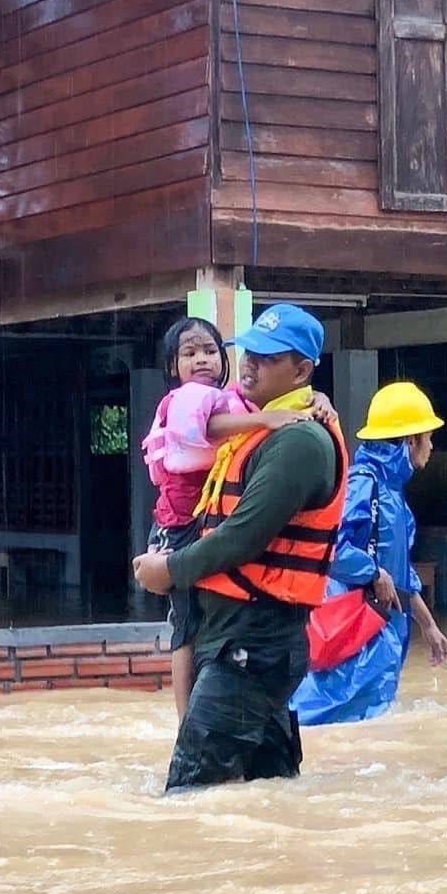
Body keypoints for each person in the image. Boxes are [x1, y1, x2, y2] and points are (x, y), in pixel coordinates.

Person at [132, 304, 350, 791]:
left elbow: (243, 536)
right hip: (242, 638)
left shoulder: (298, 441)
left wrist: (169, 569)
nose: (249, 363)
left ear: (302, 371)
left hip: (253, 642)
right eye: (248, 351)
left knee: (192, 790)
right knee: (266, 791)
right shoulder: (256, 421)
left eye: (268, 357)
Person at [139, 316, 317, 718]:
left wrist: (315, 399)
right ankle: (187, 721)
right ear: (173, 367)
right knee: (185, 631)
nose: (202, 360)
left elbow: (273, 401)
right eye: (189, 353)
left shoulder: (231, 397)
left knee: (204, 627)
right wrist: (266, 420)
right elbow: (210, 429)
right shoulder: (184, 400)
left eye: (210, 351)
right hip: (180, 527)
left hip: (205, 525)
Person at [291, 382, 447, 725]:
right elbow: (331, 548)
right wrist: (373, 573)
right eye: (429, 436)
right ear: (410, 440)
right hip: (355, 639)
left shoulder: (392, 493)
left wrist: (429, 626)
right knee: (329, 722)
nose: (432, 446)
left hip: (378, 642)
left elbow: (401, 576)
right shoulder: (364, 482)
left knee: (366, 726)